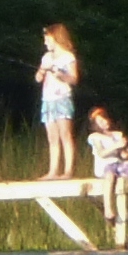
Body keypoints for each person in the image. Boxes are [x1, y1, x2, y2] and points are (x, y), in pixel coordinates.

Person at [36, 23, 79, 179]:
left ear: (56, 38)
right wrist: (42, 70)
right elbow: (37, 78)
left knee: (65, 134)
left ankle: (68, 171)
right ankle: (53, 171)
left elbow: (74, 79)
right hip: (48, 100)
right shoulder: (46, 57)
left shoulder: (68, 57)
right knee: (52, 137)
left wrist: (61, 74)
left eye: (47, 39)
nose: (45, 42)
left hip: (62, 98)